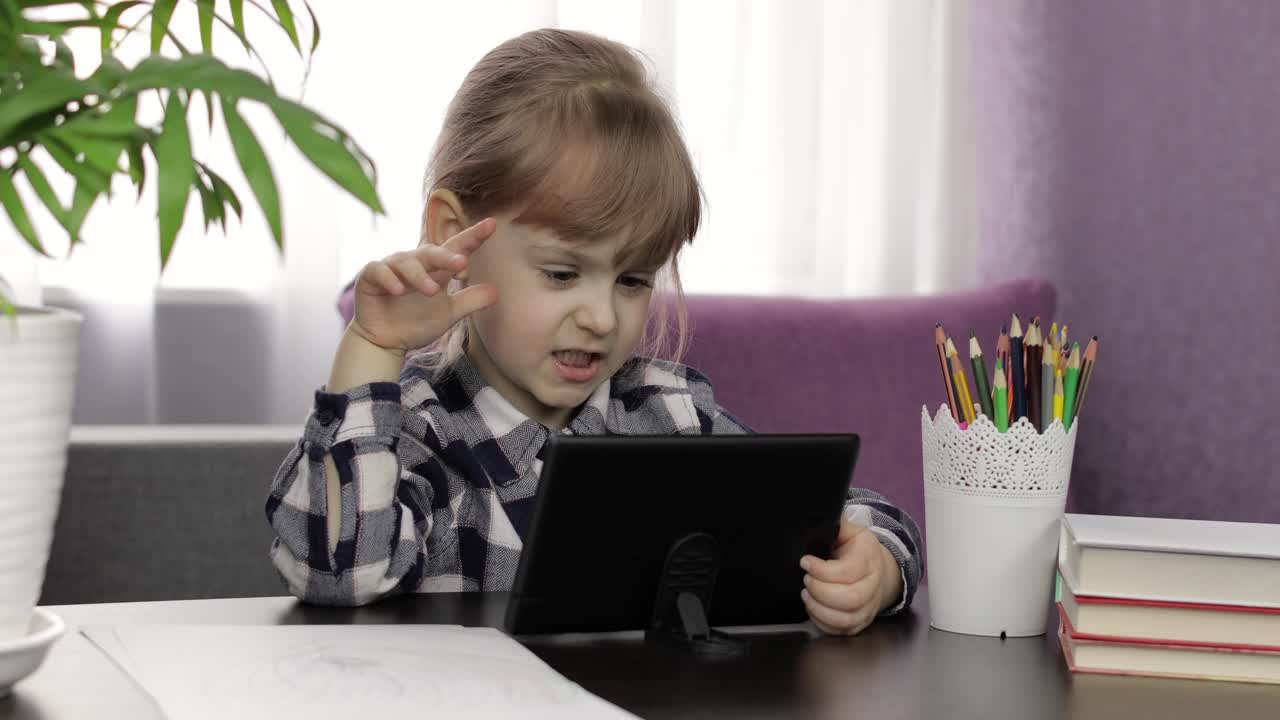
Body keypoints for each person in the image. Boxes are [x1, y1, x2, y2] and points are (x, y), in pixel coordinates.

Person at [266, 28, 922, 636]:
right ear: (453, 239)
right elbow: (336, 572)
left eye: (632, 281)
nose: (603, 318)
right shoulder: (414, 435)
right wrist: (374, 347)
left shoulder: (669, 414)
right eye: (561, 273)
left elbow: (841, 511)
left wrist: (878, 566)